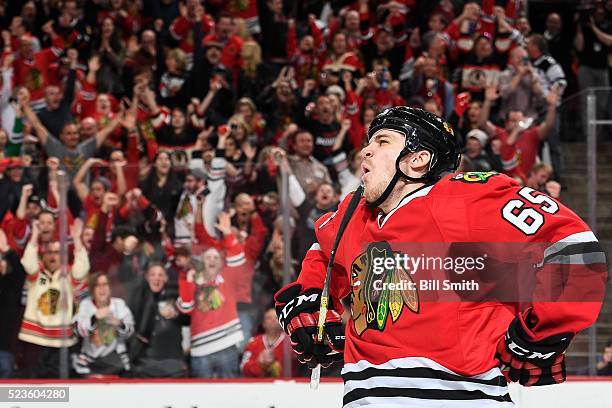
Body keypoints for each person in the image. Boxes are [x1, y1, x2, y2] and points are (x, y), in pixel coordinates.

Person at [274, 107, 606, 406]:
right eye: (368, 142)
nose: (367, 150)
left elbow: (574, 244)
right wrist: (310, 302)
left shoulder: (467, 197)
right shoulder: (353, 213)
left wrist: (546, 327)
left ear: (417, 160)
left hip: (464, 399)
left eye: (383, 141)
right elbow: (324, 253)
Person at [73, 273, 134, 376]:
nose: (102, 289)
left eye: (105, 284)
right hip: (89, 360)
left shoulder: (119, 304)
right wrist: (94, 318)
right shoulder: (85, 305)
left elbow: (130, 331)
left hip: (116, 360)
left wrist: (119, 324)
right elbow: (77, 330)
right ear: (92, 289)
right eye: (98, 285)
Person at [240, 308, 290, 378]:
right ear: (263, 324)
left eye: (276, 318)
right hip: (259, 386)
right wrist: (259, 363)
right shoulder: (253, 342)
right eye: (269, 318)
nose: (273, 320)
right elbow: (244, 368)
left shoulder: (291, 342)